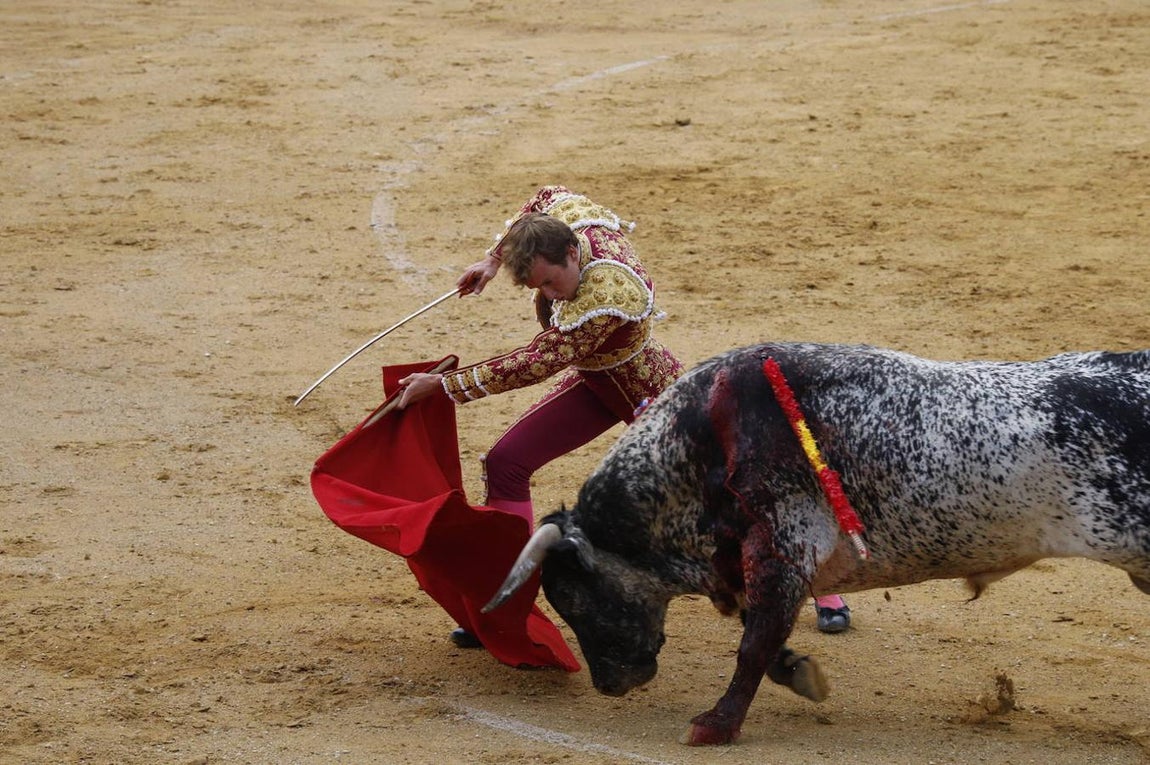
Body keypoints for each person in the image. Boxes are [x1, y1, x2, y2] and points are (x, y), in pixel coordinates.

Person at [394, 186, 685, 649]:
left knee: (713, 492)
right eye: (540, 289)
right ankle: (504, 606)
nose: (550, 295)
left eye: (551, 283)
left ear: (571, 252)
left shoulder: (608, 293)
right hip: (596, 381)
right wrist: (493, 259)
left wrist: (446, 385)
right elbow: (547, 195)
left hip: (647, 392)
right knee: (506, 462)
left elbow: (537, 362)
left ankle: (800, 588)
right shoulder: (571, 220)